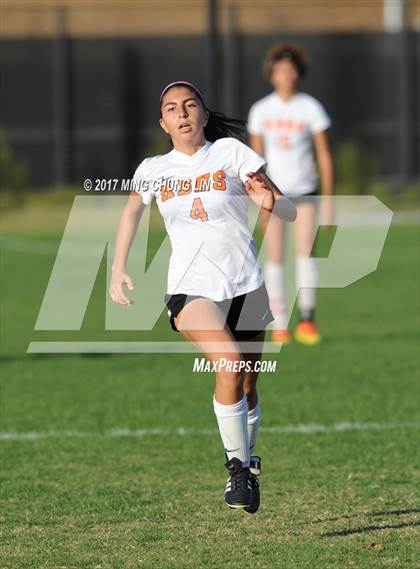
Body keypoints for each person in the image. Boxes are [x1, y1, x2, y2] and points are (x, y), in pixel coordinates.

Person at [109, 80, 297, 513]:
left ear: (205, 115)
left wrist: (268, 201)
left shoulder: (233, 155)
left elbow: (289, 210)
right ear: (163, 122)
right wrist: (118, 268)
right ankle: (238, 471)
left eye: (191, 105)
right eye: (173, 108)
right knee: (228, 363)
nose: (183, 113)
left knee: (247, 384)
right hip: (190, 290)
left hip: (246, 286)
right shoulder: (154, 168)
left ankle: (246, 460)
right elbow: (132, 210)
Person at [248, 44, 334, 345]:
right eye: (281, 70)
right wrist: (259, 196)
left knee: (306, 255)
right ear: (271, 75)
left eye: (292, 69)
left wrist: (328, 200)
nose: (287, 74)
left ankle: (307, 321)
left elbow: (323, 155)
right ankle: (280, 325)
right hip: (275, 195)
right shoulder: (261, 110)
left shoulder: (310, 107)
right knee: (274, 259)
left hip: (305, 192)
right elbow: (255, 160)